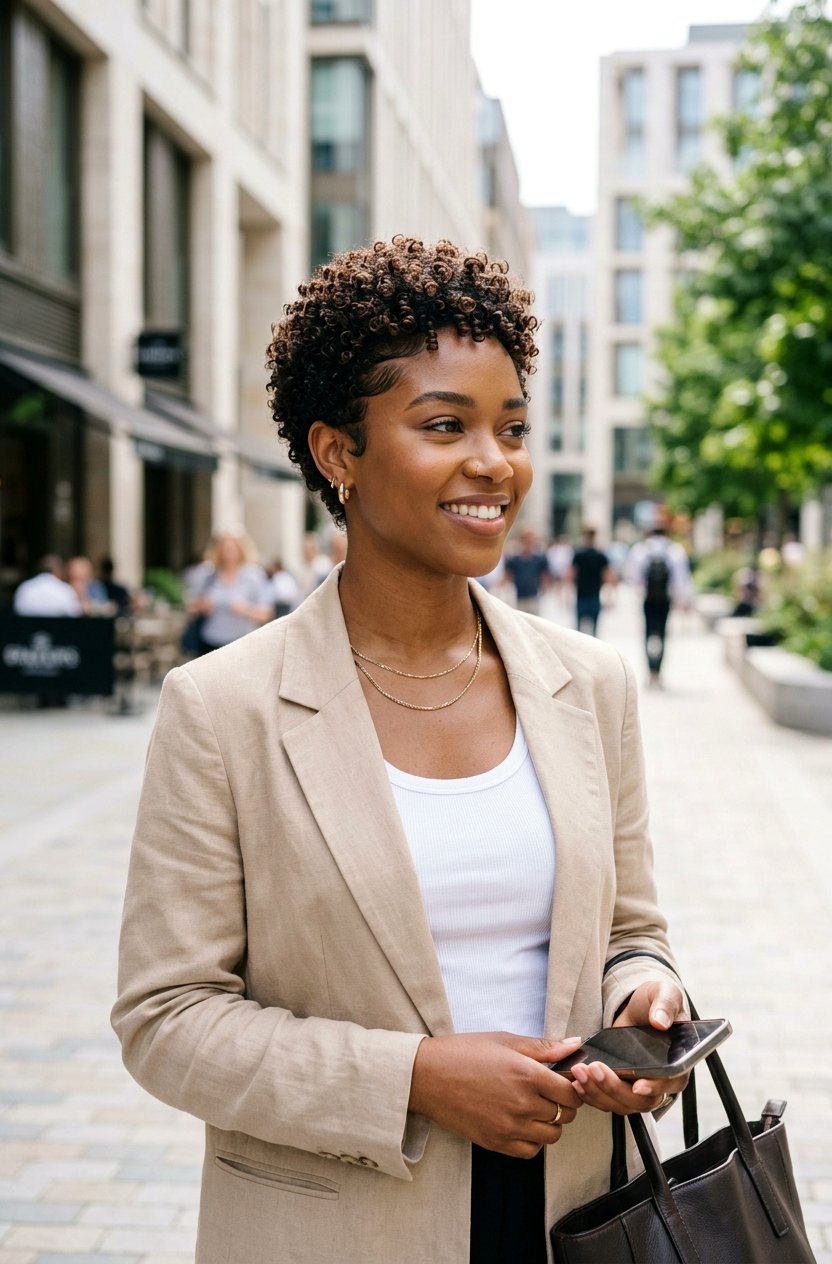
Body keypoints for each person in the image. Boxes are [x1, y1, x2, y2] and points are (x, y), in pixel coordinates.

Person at [113, 238, 687, 1264]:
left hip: (573, 1220)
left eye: (510, 426)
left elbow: (629, 932)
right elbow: (167, 1018)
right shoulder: (221, 707)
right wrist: (415, 1076)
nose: (493, 462)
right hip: (336, 1228)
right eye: (442, 425)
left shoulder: (587, 684)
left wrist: (640, 1004)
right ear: (337, 453)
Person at [184, 529, 274, 654]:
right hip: (210, 641)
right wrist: (203, 605)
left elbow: (266, 613)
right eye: (224, 548)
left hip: (242, 642)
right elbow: (190, 604)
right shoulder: (207, 574)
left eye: (232, 548)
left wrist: (245, 609)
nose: (228, 553)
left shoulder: (253, 575)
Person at [625, 526, 693, 688]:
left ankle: (649, 672)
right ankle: (658, 672)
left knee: (648, 632)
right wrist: (683, 601)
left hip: (648, 599)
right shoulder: (674, 551)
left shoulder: (641, 549)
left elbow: (632, 576)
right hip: (665, 599)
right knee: (662, 633)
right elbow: (681, 578)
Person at [569, 528, 610, 636]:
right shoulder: (599, 555)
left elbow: (571, 574)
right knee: (594, 628)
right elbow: (607, 576)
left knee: (579, 628)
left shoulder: (579, 554)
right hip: (592, 593)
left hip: (584, 593)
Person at [13, 555, 82, 617]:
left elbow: (18, 610)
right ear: (58, 570)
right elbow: (74, 614)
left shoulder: (25, 587)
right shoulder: (65, 589)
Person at [504, 528, 551, 613]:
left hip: (534, 596)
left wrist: (545, 587)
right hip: (519, 597)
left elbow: (544, 574)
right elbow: (508, 575)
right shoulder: (514, 559)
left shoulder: (539, 558)